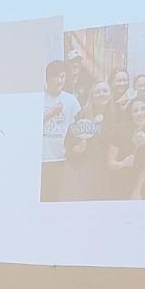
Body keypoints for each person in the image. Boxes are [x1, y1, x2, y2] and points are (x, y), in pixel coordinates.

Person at [41, 60, 81, 200]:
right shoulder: (38, 98)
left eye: (63, 76)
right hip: (41, 159)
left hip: (62, 159)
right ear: (47, 78)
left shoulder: (71, 100)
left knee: (57, 198)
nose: (60, 80)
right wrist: (51, 113)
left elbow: (79, 127)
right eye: (56, 77)